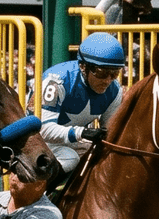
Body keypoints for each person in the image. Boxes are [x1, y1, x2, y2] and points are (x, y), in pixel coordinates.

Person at [39, 32, 126, 179]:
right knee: (70, 157)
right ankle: (44, 191)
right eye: (101, 73)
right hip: (39, 141)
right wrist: (82, 133)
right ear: (83, 66)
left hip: (72, 141)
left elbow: (110, 134)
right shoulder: (56, 81)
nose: (107, 80)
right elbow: (43, 130)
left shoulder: (114, 90)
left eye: (114, 73)